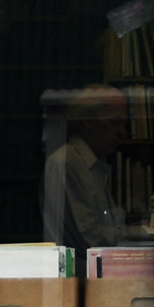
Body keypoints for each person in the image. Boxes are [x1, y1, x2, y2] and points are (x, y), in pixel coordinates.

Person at [40, 84, 128, 251]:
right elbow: (90, 237)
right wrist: (133, 234)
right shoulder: (66, 163)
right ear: (88, 121)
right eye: (115, 123)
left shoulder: (94, 164)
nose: (122, 132)